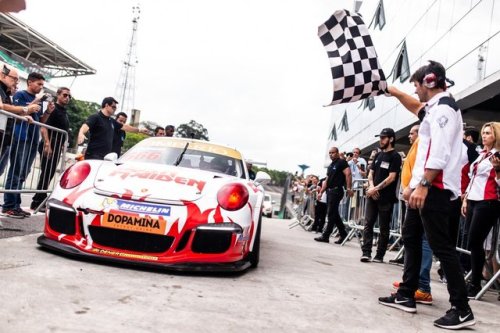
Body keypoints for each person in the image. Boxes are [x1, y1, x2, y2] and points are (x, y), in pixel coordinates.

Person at [378, 60, 475, 330]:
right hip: (428, 186)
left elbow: (441, 151)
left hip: (436, 188)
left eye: (417, 85)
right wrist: (395, 92)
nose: (416, 90)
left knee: (441, 246)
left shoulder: (444, 108)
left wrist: (422, 184)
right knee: (410, 236)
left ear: (429, 82)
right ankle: (407, 294)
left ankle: (462, 309)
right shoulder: (435, 107)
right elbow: (417, 107)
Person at [461, 122, 500, 298]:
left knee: (475, 242)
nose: (484, 136)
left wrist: (498, 170)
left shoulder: (497, 156)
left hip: (489, 201)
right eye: (483, 133)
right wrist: (465, 199)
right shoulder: (482, 155)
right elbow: (473, 178)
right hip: (474, 200)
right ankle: (475, 280)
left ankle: (475, 283)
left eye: (488, 133)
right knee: (473, 242)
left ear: (496, 136)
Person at [2, 72, 45, 218]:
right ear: (30, 82)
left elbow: (41, 119)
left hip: (33, 138)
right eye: (39, 84)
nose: (40, 87)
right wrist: (34, 103)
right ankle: (9, 205)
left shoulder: (39, 101)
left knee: (23, 173)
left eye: (42, 85)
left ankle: (16, 204)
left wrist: (48, 111)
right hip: (20, 136)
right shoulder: (20, 95)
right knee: (16, 171)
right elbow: (18, 114)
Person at [360, 127, 402, 263]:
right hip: (373, 196)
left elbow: (392, 177)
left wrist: (376, 188)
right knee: (368, 224)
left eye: (383, 138)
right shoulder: (378, 155)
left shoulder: (395, 156)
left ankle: (379, 255)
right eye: (380, 138)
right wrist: (372, 188)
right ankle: (366, 252)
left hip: (386, 198)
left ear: (391, 139)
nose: (381, 140)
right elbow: (370, 173)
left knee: (384, 227)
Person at [30, 88, 71, 211]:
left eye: (69, 96)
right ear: (58, 95)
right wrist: (47, 144)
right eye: (65, 95)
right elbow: (44, 126)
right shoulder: (53, 109)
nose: (67, 97)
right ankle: (37, 201)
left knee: (49, 173)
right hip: (50, 143)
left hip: (57, 144)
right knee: (47, 172)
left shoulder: (64, 111)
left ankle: (40, 198)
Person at [78, 97, 146, 160]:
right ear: (106, 105)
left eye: (116, 108)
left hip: (106, 157)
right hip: (93, 155)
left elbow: (125, 127)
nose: (115, 109)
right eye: (113, 107)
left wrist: (139, 130)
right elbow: (85, 125)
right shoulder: (95, 117)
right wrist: (81, 133)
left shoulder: (111, 121)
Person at [314, 146, 353, 244]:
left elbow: (348, 174)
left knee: (331, 213)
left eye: (333, 152)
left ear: (337, 153)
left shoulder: (342, 162)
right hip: (330, 191)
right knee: (334, 213)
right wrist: (321, 192)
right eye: (330, 153)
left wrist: (349, 188)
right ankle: (343, 234)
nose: (331, 154)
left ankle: (326, 235)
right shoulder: (331, 165)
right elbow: (327, 180)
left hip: (337, 190)